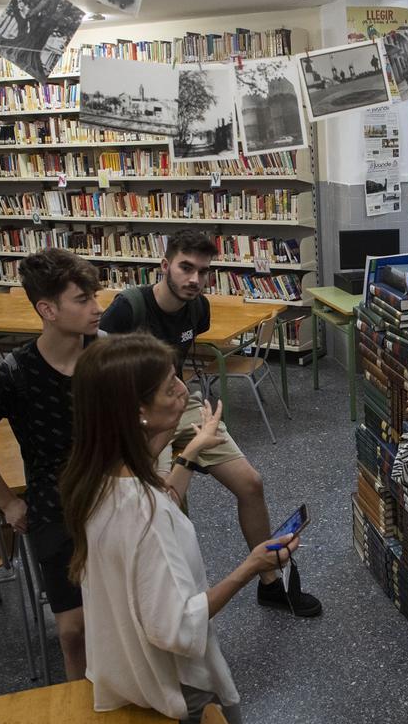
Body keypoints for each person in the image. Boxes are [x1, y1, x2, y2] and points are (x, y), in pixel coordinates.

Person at [60, 333, 299, 724]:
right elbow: (178, 626)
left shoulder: (95, 479)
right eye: (171, 386)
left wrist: (191, 450)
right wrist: (252, 565)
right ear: (138, 411)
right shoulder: (146, 516)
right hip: (179, 688)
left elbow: (155, 497)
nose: (185, 390)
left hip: (123, 674)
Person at [99, 229, 322, 617]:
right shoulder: (126, 310)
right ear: (164, 265)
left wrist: (181, 404)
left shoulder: (198, 308)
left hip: (182, 403)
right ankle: (179, 605)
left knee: (250, 483)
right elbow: (96, 375)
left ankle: (270, 584)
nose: (195, 280)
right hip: (135, 418)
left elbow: (183, 357)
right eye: (186, 268)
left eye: (203, 272)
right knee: (171, 509)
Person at [0, 249, 103, 680]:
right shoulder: (15, 372)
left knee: (126, 616)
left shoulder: (106, 353)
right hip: (53, 507)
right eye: (82, 299)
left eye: (94, 295)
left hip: (112, 496)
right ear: (48, 309)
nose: (96, 307)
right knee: (73, 632)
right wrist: (6, 501)